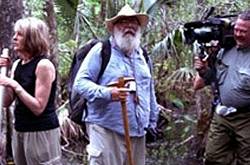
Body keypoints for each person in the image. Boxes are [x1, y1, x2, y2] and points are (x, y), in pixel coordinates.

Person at [73, 4, 159, 165]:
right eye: (123, 22)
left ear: (139, 28)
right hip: (106, 130)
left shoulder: (143, 56)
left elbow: (149, 90)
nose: (129, 26)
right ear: (113, 28)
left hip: (138, 132)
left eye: (133, 22)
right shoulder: (101, 51)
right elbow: (80, 83)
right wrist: (107, 93)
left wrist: (153, 122)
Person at [0, 17, 61, 165]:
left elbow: (38, 108)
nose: (14, 38)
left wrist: (15, 85)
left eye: (19, 34)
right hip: (20, 129)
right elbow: (6, 102)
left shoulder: (43, 65)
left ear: (32, 38)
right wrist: (6, 74)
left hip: (41, 132)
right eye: (15, 34)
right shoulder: (17, 65)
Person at [194, 10, 250, 165]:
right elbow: (213, 79)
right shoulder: (224, 49)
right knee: (213, 157)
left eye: (243, 31)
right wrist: (203, 70)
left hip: (246, 118)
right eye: (236, 29)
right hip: (222, 114)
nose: (237, 34)